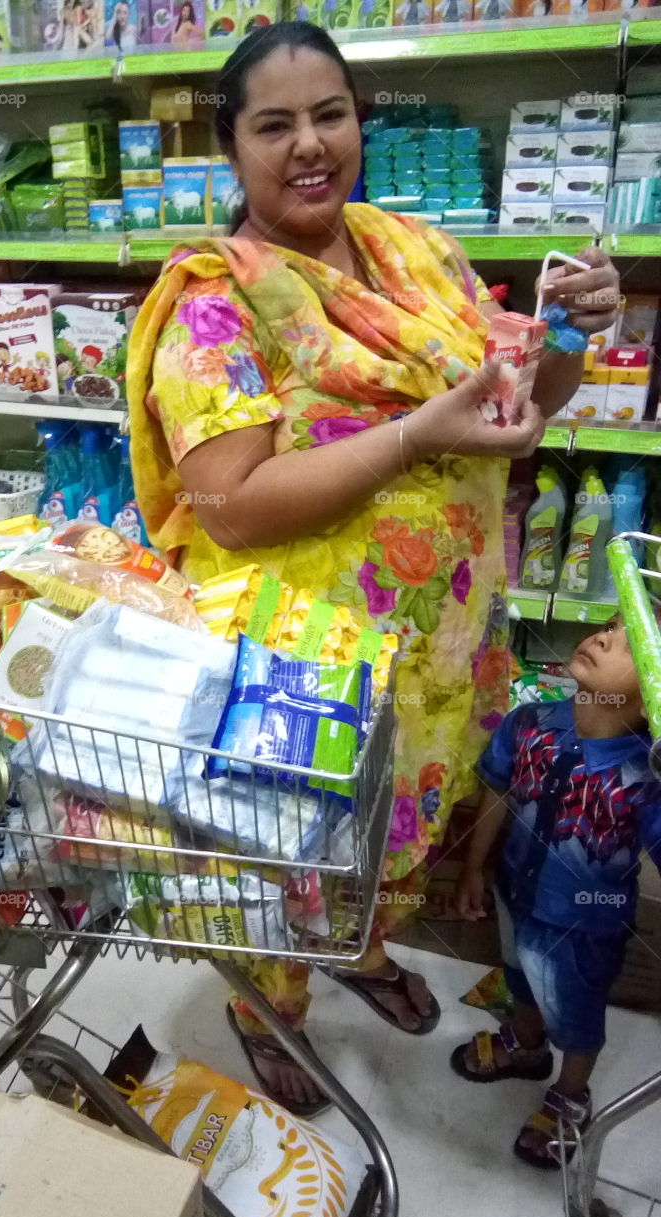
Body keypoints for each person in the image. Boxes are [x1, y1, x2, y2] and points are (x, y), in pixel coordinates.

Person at [126, 20, 621, 1115]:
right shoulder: (216, 301)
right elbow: (233, 506)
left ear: (359, 121)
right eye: (275, 124)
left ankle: (360, 947)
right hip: (308, 667)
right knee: (291, 854)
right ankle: (272, 1009)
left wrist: (579, 337)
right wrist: (413, 433)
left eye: (331, 114)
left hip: (441, 653)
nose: (310, 145)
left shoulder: (416, 253)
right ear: (231, 144)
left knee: (397, 837)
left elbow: (514, 419)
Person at [452, 615, 661, 1168]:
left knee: (575, 1010)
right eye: (609, 627)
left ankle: (571, 1093)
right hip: (514, 895)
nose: (599, 637)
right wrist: (474, 866)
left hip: (584, 927)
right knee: (519, 975)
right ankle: (524, 1044)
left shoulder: (646, 780)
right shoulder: (529, 723)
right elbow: (497, 786)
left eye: (627, 644)